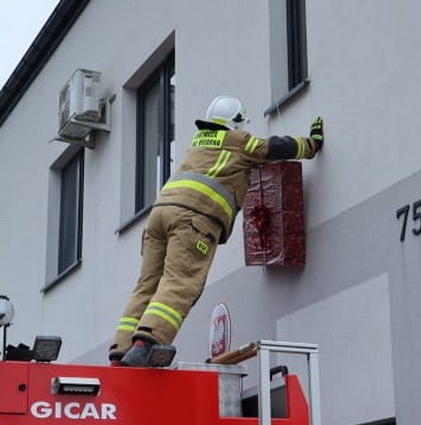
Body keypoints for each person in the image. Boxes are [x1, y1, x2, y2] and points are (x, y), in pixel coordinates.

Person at [111, 96, 324, 366]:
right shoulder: (239, 142)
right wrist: (312, 143)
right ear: (235, 123)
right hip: (192, 220)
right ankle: (146, 345)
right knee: (180, 282)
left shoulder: (198, 144)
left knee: (147, 285)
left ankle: (120, 352)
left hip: (158, 218)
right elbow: (275, 147)